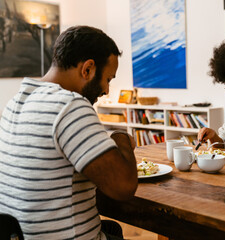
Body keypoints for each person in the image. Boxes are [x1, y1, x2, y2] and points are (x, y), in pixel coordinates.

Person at [0, 25, 138, 239]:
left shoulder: (15, 103)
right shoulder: (70, 105)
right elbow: (123, 186)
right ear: (88, 69)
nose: (107, 90)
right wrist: (120, 137)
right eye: (108, 79)